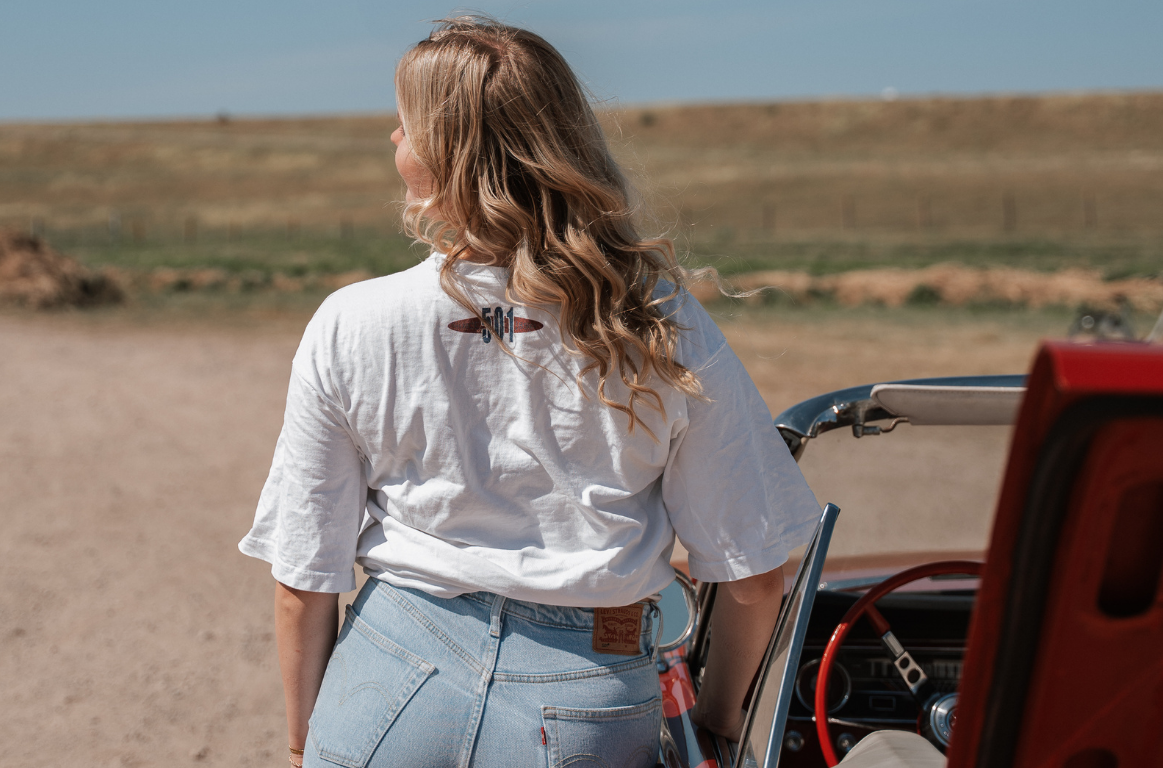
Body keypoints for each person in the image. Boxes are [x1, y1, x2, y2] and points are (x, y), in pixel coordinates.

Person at [239, 17, 819, 768]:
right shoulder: (659, 324)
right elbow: (753, 575)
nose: (393, 138)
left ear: (450, 154)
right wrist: (718, 720)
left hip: (388, 684)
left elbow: (304, 580)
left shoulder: (350, 321)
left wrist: (301, 746)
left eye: (407, 124)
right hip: (588, 696)